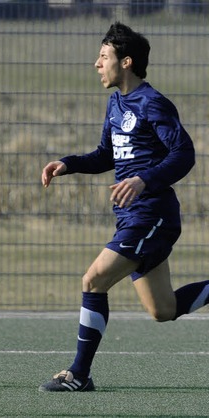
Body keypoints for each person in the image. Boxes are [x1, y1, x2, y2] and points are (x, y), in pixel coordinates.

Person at [39, 22, 208, 392]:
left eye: (103, 57)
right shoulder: (115, 103)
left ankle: (78, 375)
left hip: (153, 215)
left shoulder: (153, 103)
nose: (97, 64)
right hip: (132, 217)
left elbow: (185, 153)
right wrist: (67, 163)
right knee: (163, 310)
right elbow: (105, 156)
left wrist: (144, 179)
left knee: (93, 280)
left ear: (126, 62)